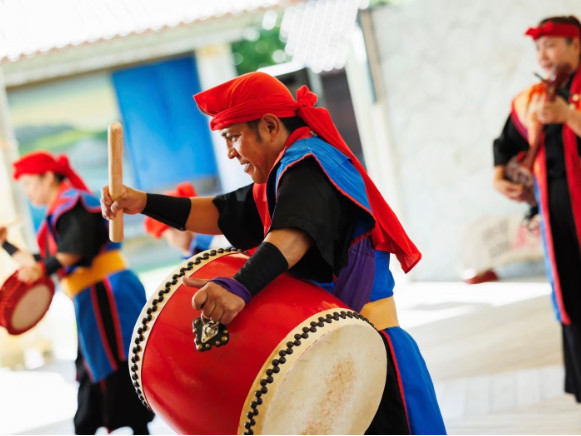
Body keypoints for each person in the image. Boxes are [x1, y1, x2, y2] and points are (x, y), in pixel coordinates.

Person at [101, 72, 446, 434]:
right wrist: (141, 202)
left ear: (268, 127)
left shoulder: (308, 165)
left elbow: (292, 235)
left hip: (372, 357)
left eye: (233, 138)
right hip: (343, 354)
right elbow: (220, 212)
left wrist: (240, 287)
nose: (231, 153)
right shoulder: (281, 176)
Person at [0, 151, 154, 434]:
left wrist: (42, 269)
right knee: (97, 367)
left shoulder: (74, 202)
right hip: (93, 298)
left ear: (48, 177)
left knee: (118, 362)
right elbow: (46, 261)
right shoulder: (62, 209)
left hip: (108, 295)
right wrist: (6, 245)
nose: (30, 193)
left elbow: (72, 251)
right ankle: (102, 424)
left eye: (31, 185)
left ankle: (125, 426)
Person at [492, 16, 581, 403]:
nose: (544, 55)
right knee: (572, 295)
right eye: (538, 48)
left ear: (576, 46)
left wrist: (570, 117)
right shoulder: (530, 98)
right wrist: (500, 177)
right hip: (556, 215)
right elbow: (504, 142)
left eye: (552, 45)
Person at [143, 181, 229, 257]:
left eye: (166, 237)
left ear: (177, 226)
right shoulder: (196, 251)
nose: (171, 244)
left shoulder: (216, 243)